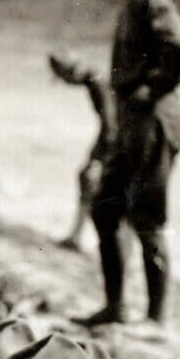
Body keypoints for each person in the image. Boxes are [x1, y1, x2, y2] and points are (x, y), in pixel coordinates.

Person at [78, 0, 180, 337]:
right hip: (133, 120)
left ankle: (156, 320)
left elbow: (178, 47)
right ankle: (114, 306)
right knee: (106, 205)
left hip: (153, 120)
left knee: (147, 216)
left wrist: (152, 88)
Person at [49, 52, 118, 251]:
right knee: (89, 180)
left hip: (114, 138)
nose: (67, 84)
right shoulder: (94, 79)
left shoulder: (97, 83)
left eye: (65, 78)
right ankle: (77, 235)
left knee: (93, 181)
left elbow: (111, 124)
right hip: (111, 136)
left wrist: (101, 159)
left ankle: (79, 237)